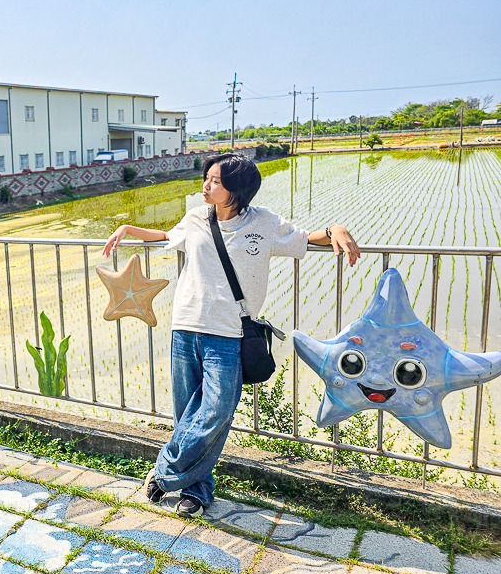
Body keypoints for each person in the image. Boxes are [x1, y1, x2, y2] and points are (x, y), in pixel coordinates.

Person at [102, 153, 359, 518]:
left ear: (237, 189)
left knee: (216, 411)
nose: (206, 185)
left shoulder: (264, 224)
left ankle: (163, 472)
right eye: (206, 178)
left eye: (215, 181)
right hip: (185, 326)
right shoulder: (195, 218)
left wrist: (336, 230)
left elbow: (307, 238)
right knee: (187, 414)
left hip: (229, 333)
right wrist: (128, 229)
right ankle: (196, 491)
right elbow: (166, 236)